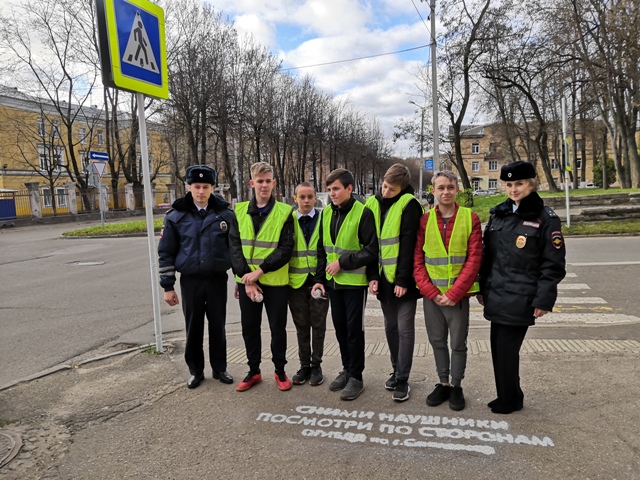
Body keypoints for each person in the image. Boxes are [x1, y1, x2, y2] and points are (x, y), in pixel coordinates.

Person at [477, 161, 566, 414]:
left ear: (531, 184)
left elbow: (553, 264)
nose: (513, 189)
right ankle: (508, 394)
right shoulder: (498, 215)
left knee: (506, 351)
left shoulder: (545, 219)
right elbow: (488, 257)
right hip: (497, 293)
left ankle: (511, 398)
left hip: (522, 296)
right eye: (509, 184)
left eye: (519, 184)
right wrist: (483, 287)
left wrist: (543, 299)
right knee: (498, 349)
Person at [158, 165, 236, 389]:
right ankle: (196, 371)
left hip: (216, 279)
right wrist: (168, 286)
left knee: (218, 326)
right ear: (189, 187)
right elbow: (166, 252)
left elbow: (235, 250)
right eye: (196, 186)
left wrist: (240, 279)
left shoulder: (226, 215)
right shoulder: (176, 216)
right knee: (193, 327)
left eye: (205, 187)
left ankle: (220, 368)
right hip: (191, 281)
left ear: (212, 187)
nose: (201, 191)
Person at [413, 170, 482, 411]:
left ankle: (456, 386)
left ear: (457, 190)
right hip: (432, 297)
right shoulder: (424, 220)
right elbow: (418, 261)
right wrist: (432, 293)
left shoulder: (469, 218)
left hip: (458, 298)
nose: (445, 192)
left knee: (458, 344)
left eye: (450, 187)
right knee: (437, 341)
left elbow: (474, 260)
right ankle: (442, 382)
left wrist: (454, 294)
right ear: (433, 191)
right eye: (440, 188)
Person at [312, 168, 378, 401]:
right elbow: (322, 250)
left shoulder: (363, 213)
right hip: (333, 285)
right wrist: (319, 280)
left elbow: (371, 251)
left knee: (353, 331)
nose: (332, 194)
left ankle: (357, 377)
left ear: (349, 188)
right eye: (329, 190)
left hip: (354, 284)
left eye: (336, 189)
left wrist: (342, 262)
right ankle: (347, 369)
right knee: (340, 330)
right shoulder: (327, 213)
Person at [229, 161, 295, 392]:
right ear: (251, 183)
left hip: (275, 282)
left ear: (274, 183)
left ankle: (280, 371)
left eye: (268, 181)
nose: (264, 185)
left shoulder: (285, 212)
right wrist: (248, 278)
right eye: (260, 181)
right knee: (250, 328)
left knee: (278, 328)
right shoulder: (237, 211)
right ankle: (254, 371)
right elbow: (234, 248)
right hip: (248, 284)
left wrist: (260, 271)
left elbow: (286, 248)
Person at [365, 164, 422, 402]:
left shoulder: (410, 205)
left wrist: (402, 279)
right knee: (390, 327)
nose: (386, 191)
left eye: (392, 189)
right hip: (382, 277)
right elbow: (368, 245)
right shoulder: (372, 204)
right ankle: (395, 369)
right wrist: (372, 277)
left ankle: (403, 379)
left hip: (403, 279)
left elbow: (410, 245)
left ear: (403, 187)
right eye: (385, 186)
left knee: (404, 328)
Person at [288, 182, 330, 386]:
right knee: (301, 326)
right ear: (295, 198)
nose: (306, 201)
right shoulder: (289, 220)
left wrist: (321, 279)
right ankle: (304, 365)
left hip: (318, 282)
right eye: (301, 197)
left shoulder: (323, 219)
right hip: (295, 283)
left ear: (315, 198)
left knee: (319, 325)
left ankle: (316, 365)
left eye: (309, 197)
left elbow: (325, 251)